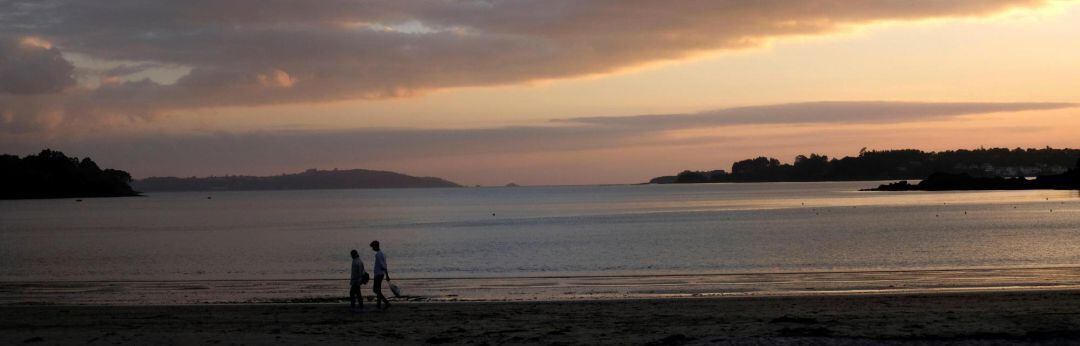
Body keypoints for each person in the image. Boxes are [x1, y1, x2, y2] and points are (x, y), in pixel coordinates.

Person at [371, 240, 391, 310]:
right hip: (381, 274)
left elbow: (383, 265)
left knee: (376, 290)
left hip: (378, 274)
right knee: (378, 290)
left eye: (373, 247)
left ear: (376, 246)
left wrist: (387, 275)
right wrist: (387, 275)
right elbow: (385, 265)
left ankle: (385, 302)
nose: (372, 248)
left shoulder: (378, 255)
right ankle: (379, 304)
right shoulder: (382, 253)